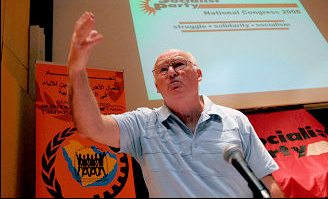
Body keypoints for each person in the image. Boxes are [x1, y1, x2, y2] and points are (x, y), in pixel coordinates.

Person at [68, 11, 285, 197]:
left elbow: (267, 182)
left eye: (179, 64)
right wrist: (77, 71)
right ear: (156, 86)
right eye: (163, 69)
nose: (171, 72)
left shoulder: (235, 120)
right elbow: (91, 127)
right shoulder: (142, 124)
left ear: (198, 74)